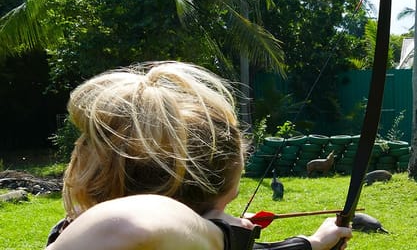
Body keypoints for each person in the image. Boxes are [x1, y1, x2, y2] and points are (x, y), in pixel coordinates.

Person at [45, 61, 351, 250]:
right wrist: (219, 236)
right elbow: (128, 225)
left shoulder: (74, 233)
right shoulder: (85, 236)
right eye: (227, 201)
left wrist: (313, 243)